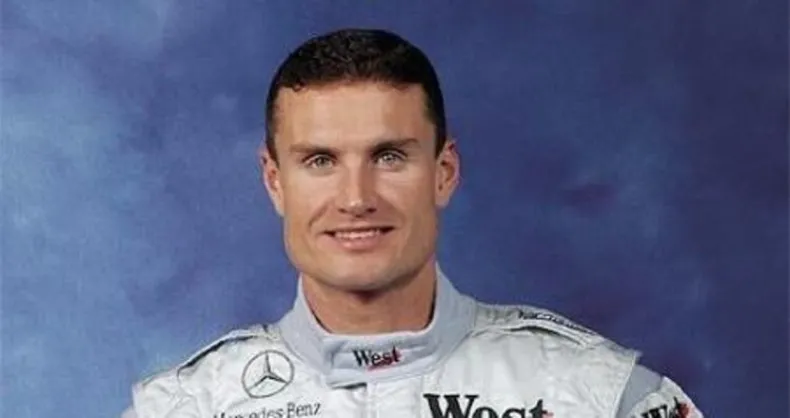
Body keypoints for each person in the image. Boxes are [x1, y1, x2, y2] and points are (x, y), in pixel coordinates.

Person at [123, 28, 704, 418]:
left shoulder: (600, 397)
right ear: (275, 181)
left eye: (389, 157)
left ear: (443, 172)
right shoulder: (185, 408)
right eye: (320, 161)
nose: (356, 198)